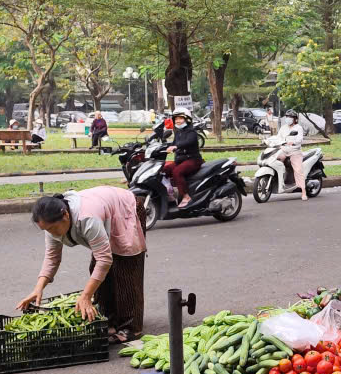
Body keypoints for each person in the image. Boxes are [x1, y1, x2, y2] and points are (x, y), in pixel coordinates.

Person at [18, 187, 147, 343]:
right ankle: (110, 320)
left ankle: (131, 328)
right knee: (97, 271)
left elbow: (104, 259)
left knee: (125, 270)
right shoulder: (50, 223)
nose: (51, 233)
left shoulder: (87, 218)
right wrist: (38, 288)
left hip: (125, 208)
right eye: (46, 230)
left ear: (65, 215)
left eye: (52, 229)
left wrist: (85, 296)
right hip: (105, 212)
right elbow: (52, 258)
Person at [163, 109, 205, 205]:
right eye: (176, 119)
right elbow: (173, 143)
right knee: (163, 170)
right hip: (180, 160)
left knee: (177, 172)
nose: (178, 121)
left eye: (180, 118)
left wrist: (176, 146)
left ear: (187, 119)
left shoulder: (192, 132)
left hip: (193, 160)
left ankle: (186, 196)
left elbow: (188, 142)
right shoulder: (178, 132)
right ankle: (169, 194)